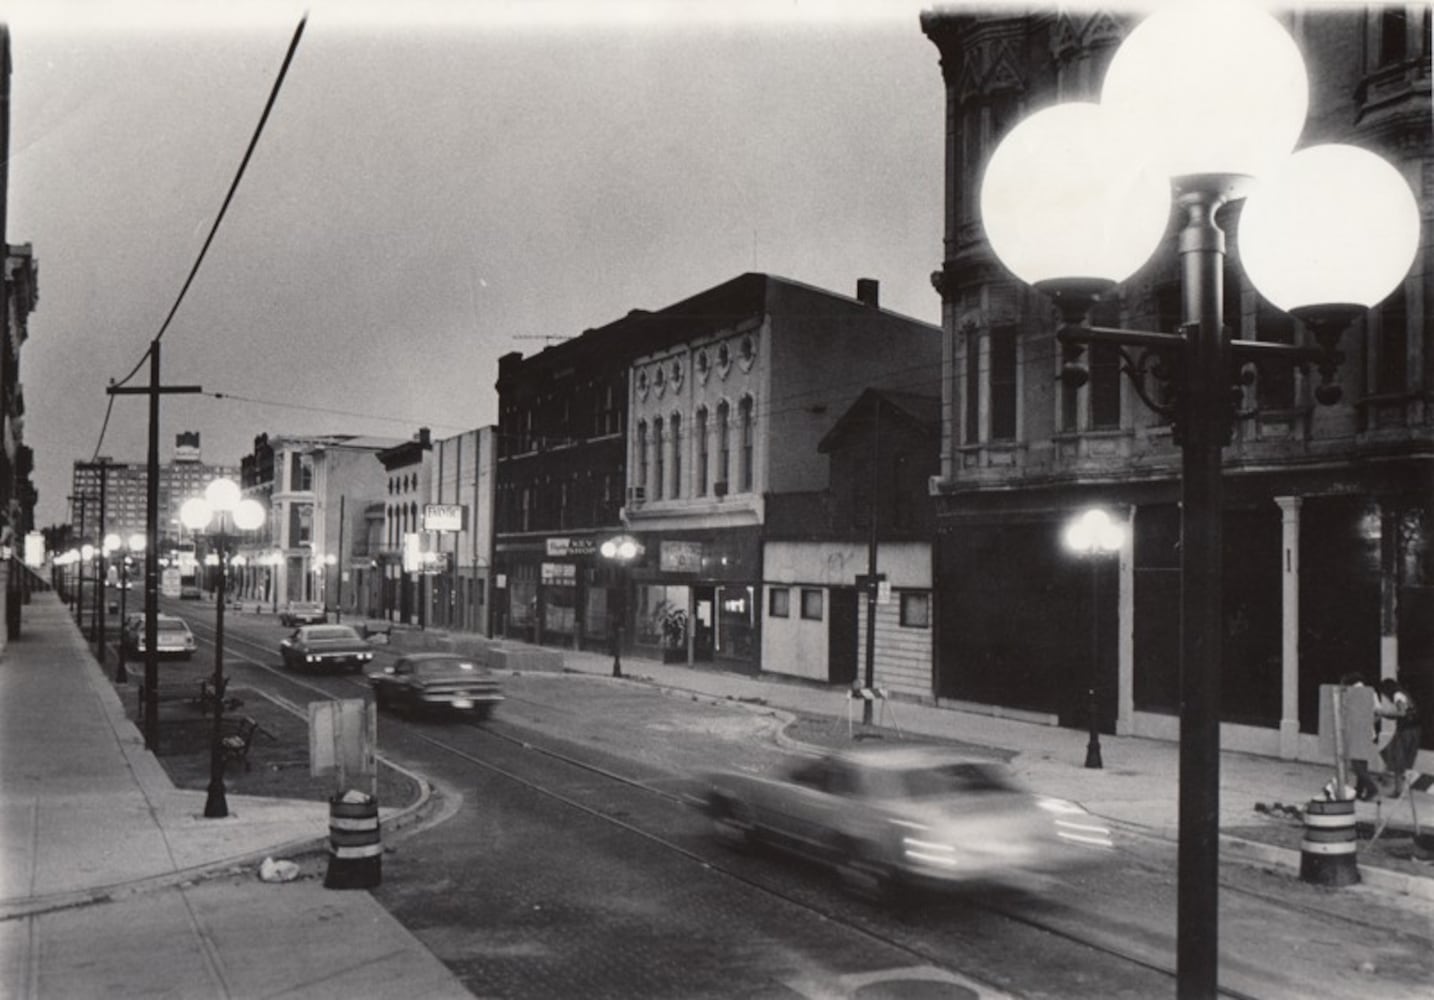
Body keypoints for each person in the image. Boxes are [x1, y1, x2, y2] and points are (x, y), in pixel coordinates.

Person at [1375, 677, 1421, 798]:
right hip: (1413, 729)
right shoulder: (1404, 694)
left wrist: (1382, 712)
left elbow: (1401, 713)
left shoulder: (1397, 695)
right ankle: (1385, 778)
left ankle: (1397, 789)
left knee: (1396, 758)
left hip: (1405, 730)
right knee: (1393, 754)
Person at [1339, 673, 1381, 801]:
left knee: (1356, 765)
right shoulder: (1371, 692)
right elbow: (1378, 712)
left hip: (1355, 732)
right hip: (1369, 732)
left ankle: (1371, 788)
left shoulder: (1351, 694)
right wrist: (1370, 722)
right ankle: (1359, 790)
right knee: (1362, 763)